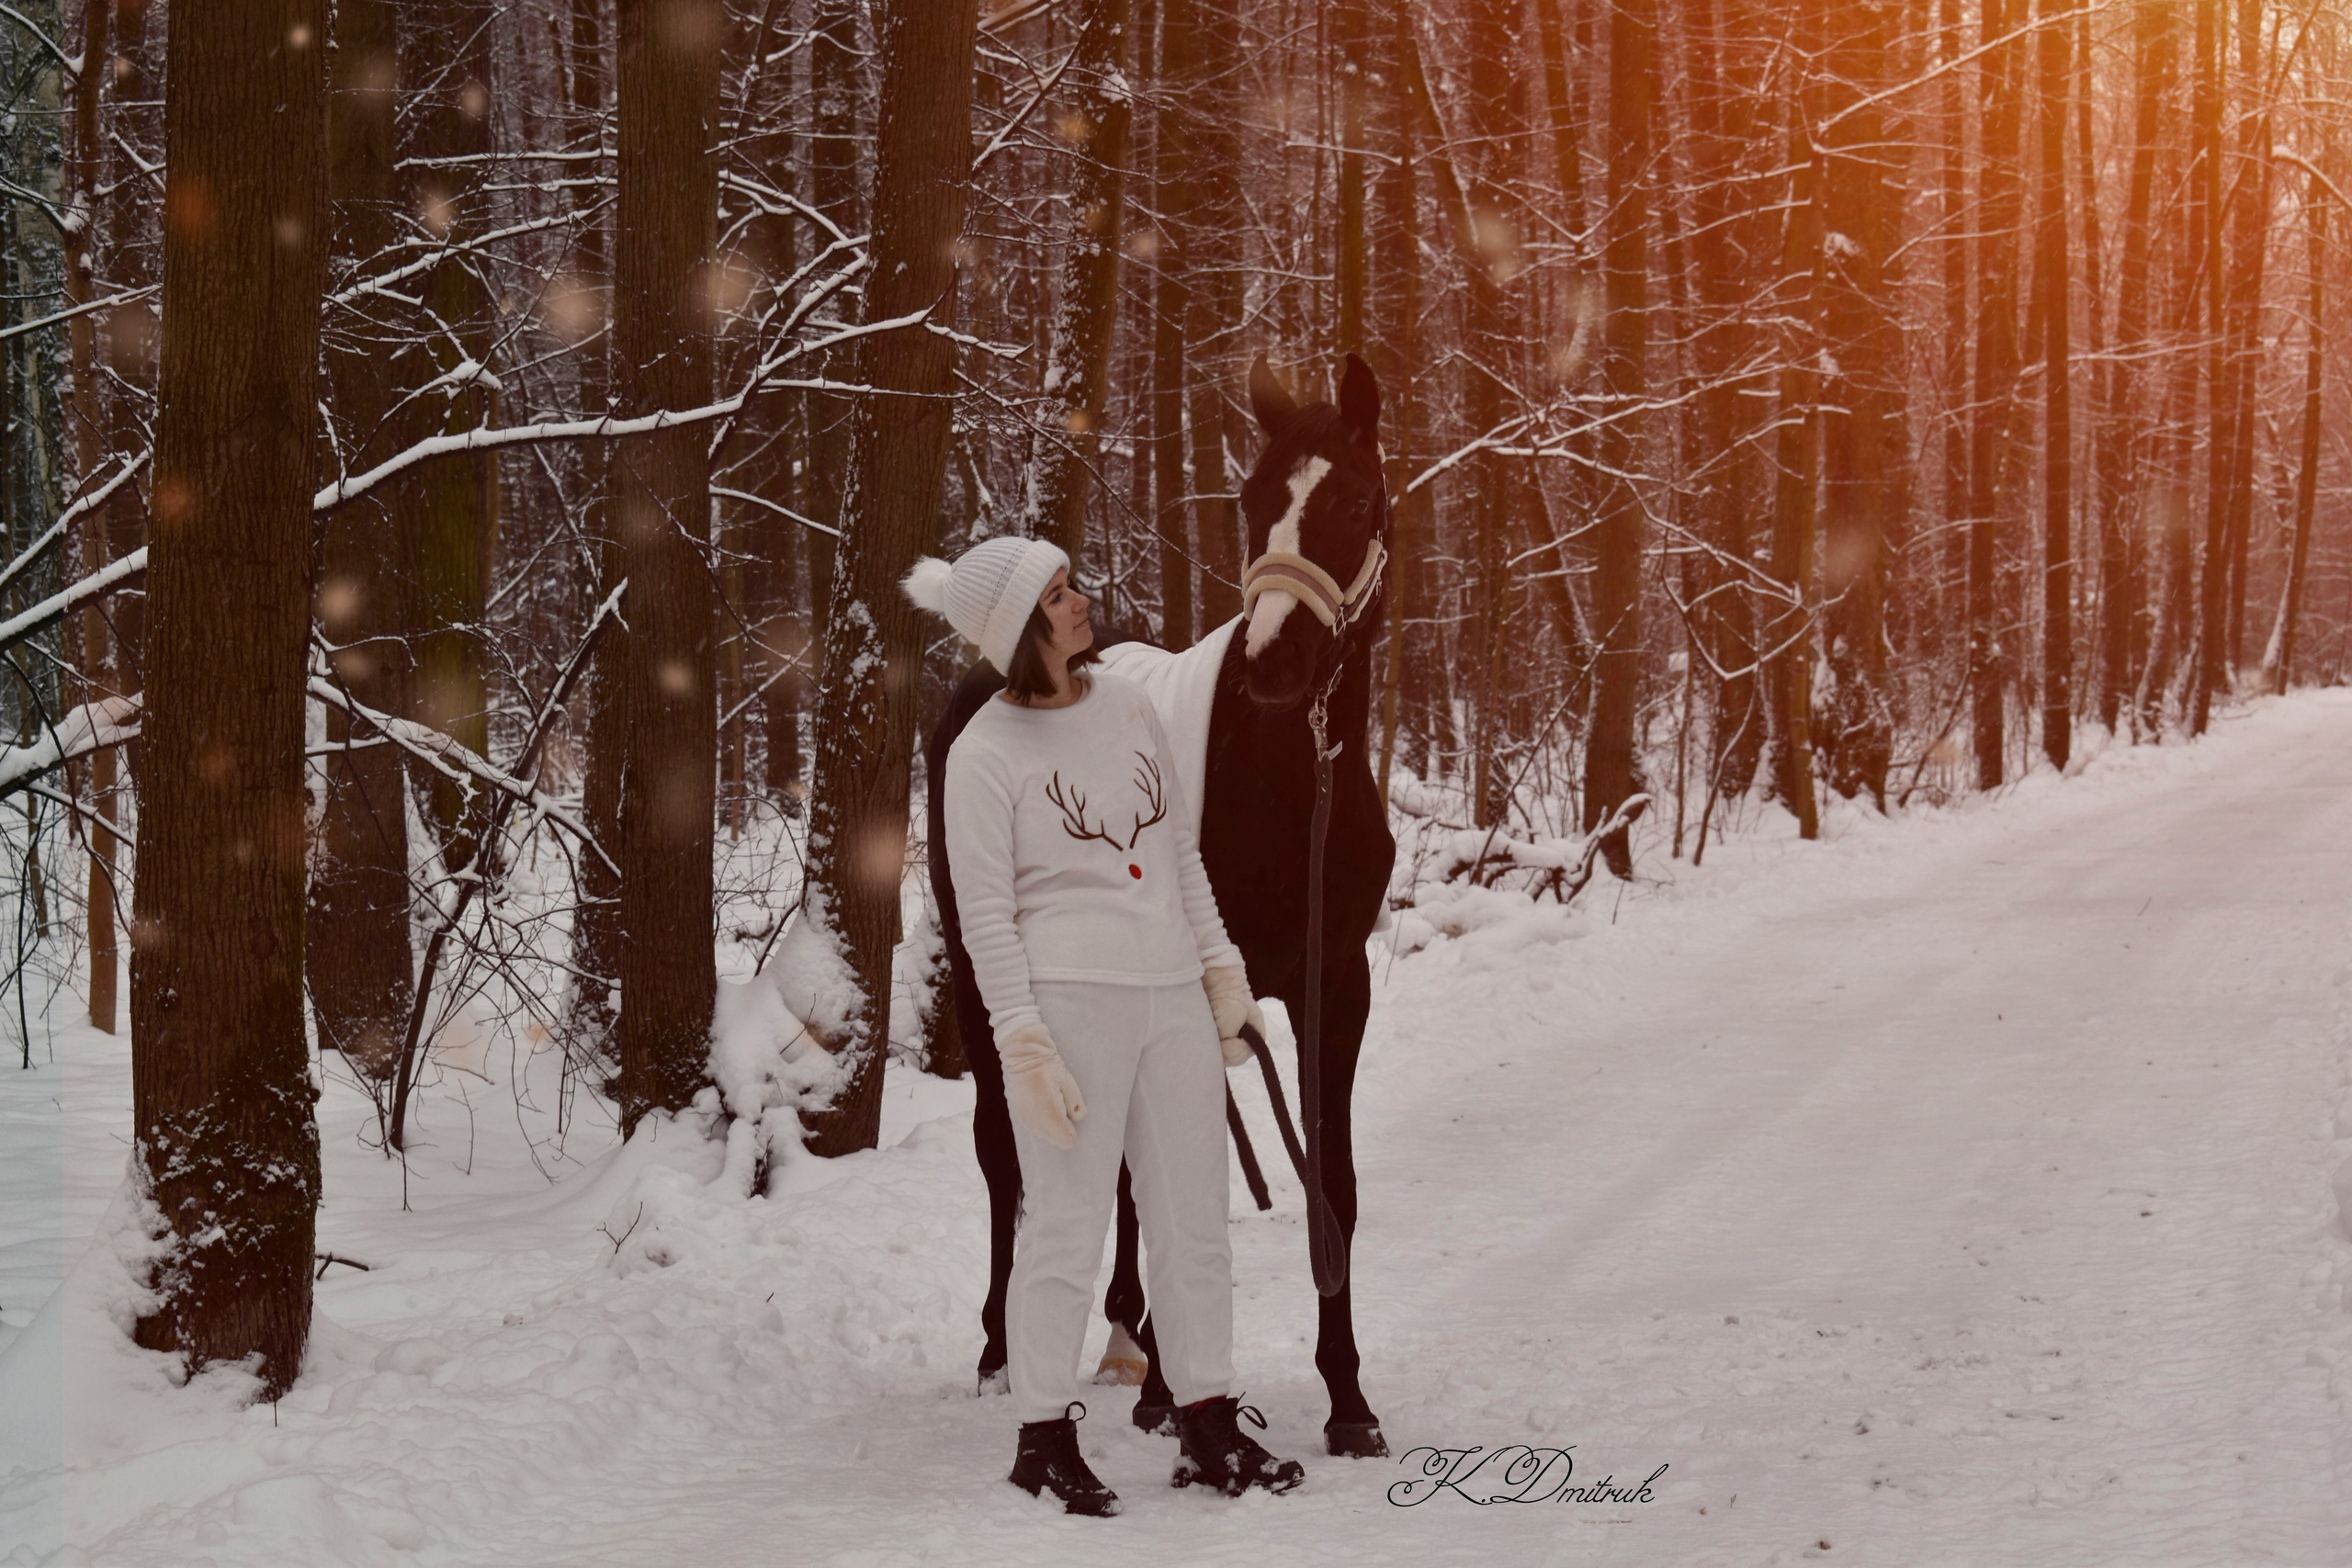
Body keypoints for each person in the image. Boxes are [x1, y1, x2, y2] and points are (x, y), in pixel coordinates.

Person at [903, 536, 1306, 1516]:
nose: (1082, 602)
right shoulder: (984, 752)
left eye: (1070, 584)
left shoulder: (1127, 707)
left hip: (1170, 993)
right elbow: (984, 916)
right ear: (1018, 627)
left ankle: (1206, 1421)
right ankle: (1042, 1437)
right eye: (1058, 594)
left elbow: (1181, 856)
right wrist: (1022, 1040)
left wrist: (1221, 976)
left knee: (1193, 1225)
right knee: (1067, 1227)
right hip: (1068, 1005)